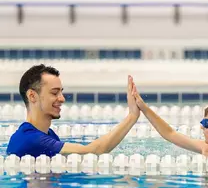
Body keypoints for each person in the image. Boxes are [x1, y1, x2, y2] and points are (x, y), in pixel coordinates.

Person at [7, 64, 140, 158]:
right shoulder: (30, 139)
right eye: (54, 93)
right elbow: (93, 151)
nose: (62, 98)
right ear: (32, 96)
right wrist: (132, 117)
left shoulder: (48, 135)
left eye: (61, 92)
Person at [131, 78, 208, 157]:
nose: (202, 127)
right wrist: (143, 107)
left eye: (206, 123)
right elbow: (170, 134)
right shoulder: (206, 148)